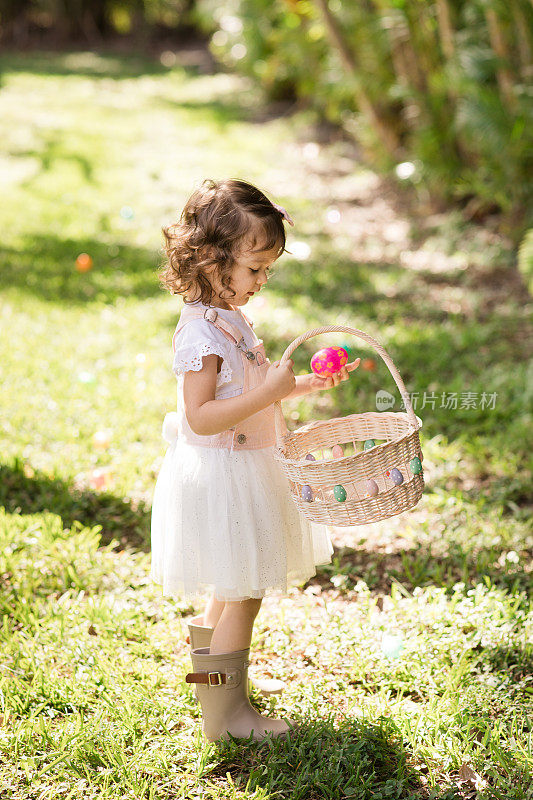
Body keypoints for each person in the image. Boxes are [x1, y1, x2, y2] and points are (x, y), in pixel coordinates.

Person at [150, 178, 360, 743]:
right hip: (225, 475)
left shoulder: (227, 315)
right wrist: (269, 393)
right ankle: (227, 720)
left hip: (245, 467)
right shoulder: (200, 332)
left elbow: (247, 391)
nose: (261, 281)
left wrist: (304, 385)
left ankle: (210, 688)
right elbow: (202, 416)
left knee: (230, 584)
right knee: (244, 589)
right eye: (254, 269)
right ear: (211, 259)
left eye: (267, 270)